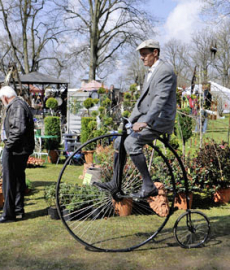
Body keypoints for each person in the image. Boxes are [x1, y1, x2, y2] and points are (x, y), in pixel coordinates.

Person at [94, 39, 177, 199]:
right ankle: (114, 181)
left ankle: (148, 185)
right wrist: (129, 120)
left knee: (131, 142)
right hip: (149, 118)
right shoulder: (151, 72)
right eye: (141, 55)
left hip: (159, 120)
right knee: (120, 141)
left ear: (155, 52)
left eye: (144, 54)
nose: (141, 58)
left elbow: (159, 100)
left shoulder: (165, 70)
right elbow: (142, 103)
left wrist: (145, 121)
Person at [0, 86, 35, 223]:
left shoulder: (16, 106)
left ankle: (9, 214)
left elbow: (18, 129)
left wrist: (8, 146)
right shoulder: (20, 104)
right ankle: (18, 210)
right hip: (20, 149)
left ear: (5, 97)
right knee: (18, 180)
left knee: (9, 181)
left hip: (16, 149)